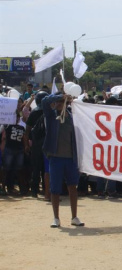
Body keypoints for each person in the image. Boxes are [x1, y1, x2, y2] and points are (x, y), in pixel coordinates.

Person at [42, 92, 84, 228]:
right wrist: (59, 96)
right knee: (55, 189)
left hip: (71, 158)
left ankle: (74, 217)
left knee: (73, 187)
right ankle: (56, 218)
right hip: (55, 158)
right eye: (58, 102)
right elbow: (44, 101)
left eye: (62, 102)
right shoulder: (51, 116)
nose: (59, 104)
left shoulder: (72, 118)